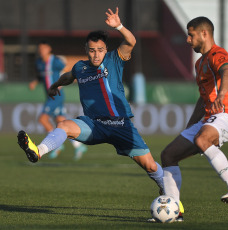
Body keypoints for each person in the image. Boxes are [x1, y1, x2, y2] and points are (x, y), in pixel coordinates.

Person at [17, 6, 165, 203]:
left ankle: (170, 194)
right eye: (92, 50)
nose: (96, 55)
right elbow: (69, 76)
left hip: (120, 124)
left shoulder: (114, 59)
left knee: (151, 167)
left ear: (106, 50)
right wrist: (55, 85)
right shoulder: (81, 67)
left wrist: (119, 25)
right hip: (94, 124)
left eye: (100, 50)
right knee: (63, 126)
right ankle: (38, 151)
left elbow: (131, 41)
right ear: (86, 50)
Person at [160, 16, 228, 219]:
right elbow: (203, 99)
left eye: (191, 35)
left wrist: (223, 94)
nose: (188, 40)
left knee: (202, 139)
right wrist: (191, 125)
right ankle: (174, 211)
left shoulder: (219, 54)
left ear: (204, 33)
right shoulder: (200, 64)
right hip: (207, 119)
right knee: (168, 155)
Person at [30, 40, 87, 160]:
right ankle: (78, 145)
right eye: (39, 49)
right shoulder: (39, 63)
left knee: (43, 119)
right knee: (61, 122)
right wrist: (35, 82)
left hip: (57, 96)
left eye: (43, 48)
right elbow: (41, 76)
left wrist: (62, 82)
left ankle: (55, 146)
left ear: (48, 49)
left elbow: (67, 69)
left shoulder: (55, 61)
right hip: (50, 96)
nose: (41, 51)